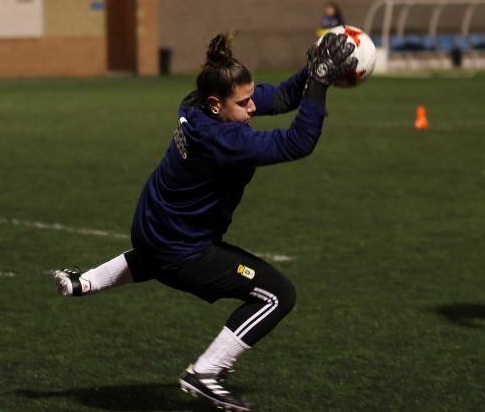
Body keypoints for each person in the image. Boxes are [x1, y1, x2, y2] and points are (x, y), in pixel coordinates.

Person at [53, 32, 357, 410]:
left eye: (250, 99)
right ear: (217, 104)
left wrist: (310, 71)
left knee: (154, 255)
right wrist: (321, 84)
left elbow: (278, 97)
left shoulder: (196, 104)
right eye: (244, 103)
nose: (251, 109)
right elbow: (298, 142)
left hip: (151, 226)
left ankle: (85, 282)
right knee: (277, 294)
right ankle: (206, 373)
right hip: (180, 250)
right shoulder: (223, 141)